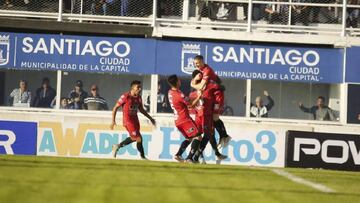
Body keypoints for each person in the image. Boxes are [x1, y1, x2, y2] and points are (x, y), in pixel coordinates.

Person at [191, 55, 231, 148]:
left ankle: (225, 137)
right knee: (213, 118)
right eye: (195, 63)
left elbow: (201, 86)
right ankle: (224, 137)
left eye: (197, 63)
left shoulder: (207, 70)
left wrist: (193, 84)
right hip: (213, 95)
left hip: (217, 96)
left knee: (215, 117)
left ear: (202, 61)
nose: (196, 65)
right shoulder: (203, 71)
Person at [111, 80, 156, 160]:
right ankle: (143, 157)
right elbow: (115, 108)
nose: (140, 89)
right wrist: (113, 121)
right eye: (138, 87)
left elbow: (141, 109)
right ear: (132, 88)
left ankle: (117, 146)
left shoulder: (139, 97)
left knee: (135, 138)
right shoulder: (125, 96)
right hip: (128, 121)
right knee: (138, 137)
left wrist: (150, 118)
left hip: (135, 120)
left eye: (140, 87)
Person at [190, 70, 227, 163]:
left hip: (207, 114)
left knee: (209, 134)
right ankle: (196, 156)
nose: (201, 76)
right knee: (202, 136)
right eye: (199, 75)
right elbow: (191, 104)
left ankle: (211, 154)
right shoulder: (194, 92)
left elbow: (220, 87)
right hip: (200, 115)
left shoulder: (208, 87)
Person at [167, 74, 203, 163]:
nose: (180, 81)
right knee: (198, 137)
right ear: (176, 82)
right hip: (184, 119)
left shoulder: (170, 92)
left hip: (177, 121)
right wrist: (198, 97)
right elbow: (190, 104)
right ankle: (189, 158)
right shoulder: (179, 95)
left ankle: (178, 155)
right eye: (179, 80)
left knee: (189, 138)